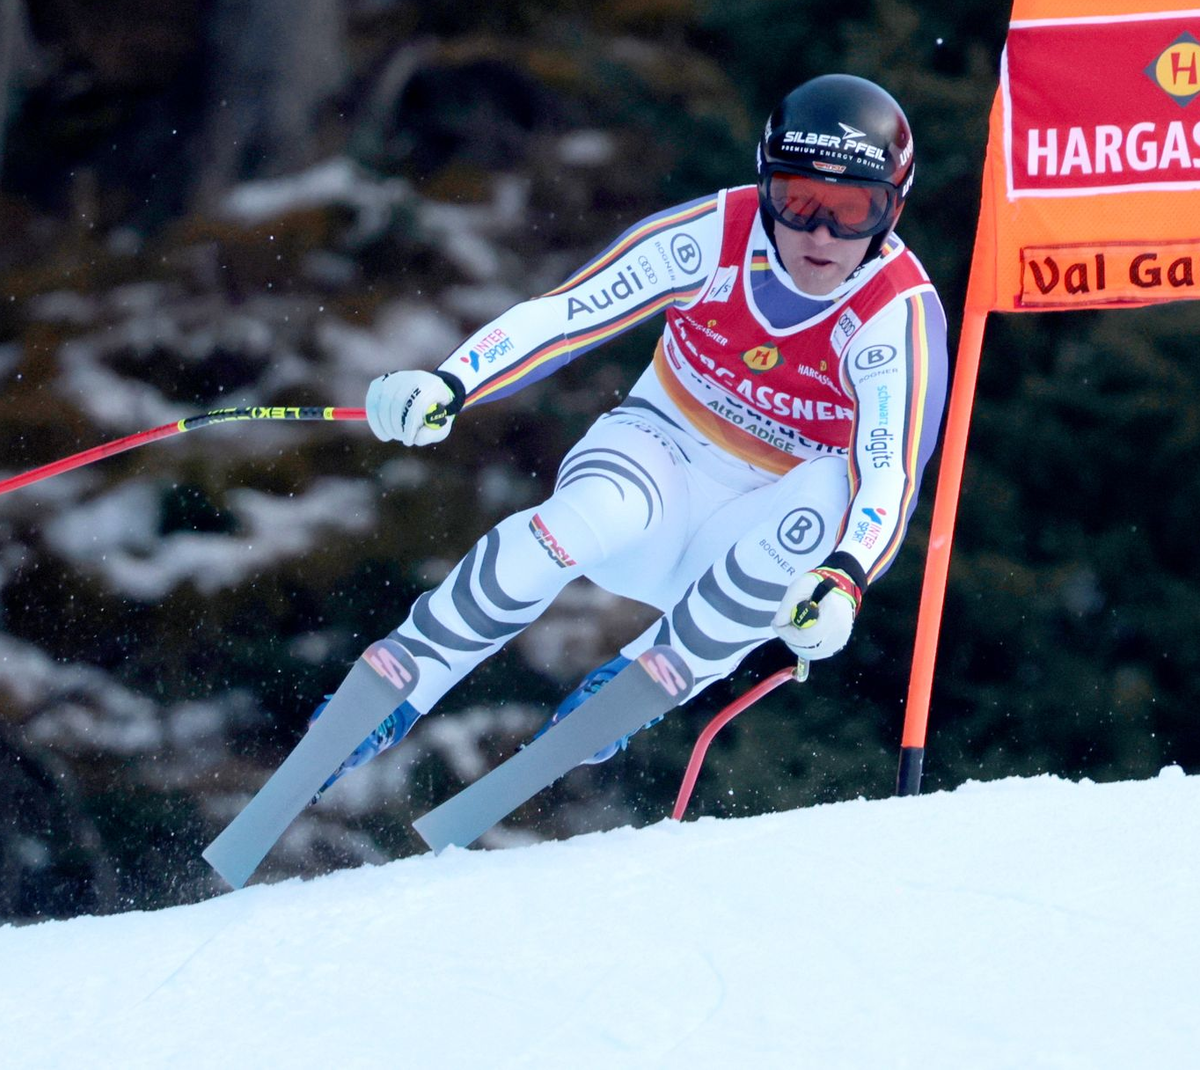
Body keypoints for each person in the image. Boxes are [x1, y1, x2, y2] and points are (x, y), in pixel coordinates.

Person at [311, 73, 949, 795]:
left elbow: (888, 472)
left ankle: (640, 677)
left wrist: (846, 577)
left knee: (834, 483)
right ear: (764, 184)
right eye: (797, 201)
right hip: (657, 469)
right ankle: (399, 684)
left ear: (892, 211)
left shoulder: (894, 314)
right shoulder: (715, 235)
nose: (819, 234)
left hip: (756, 536)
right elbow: (569, 312)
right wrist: (453, 382)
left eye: (851, 210)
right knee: (580, 520)